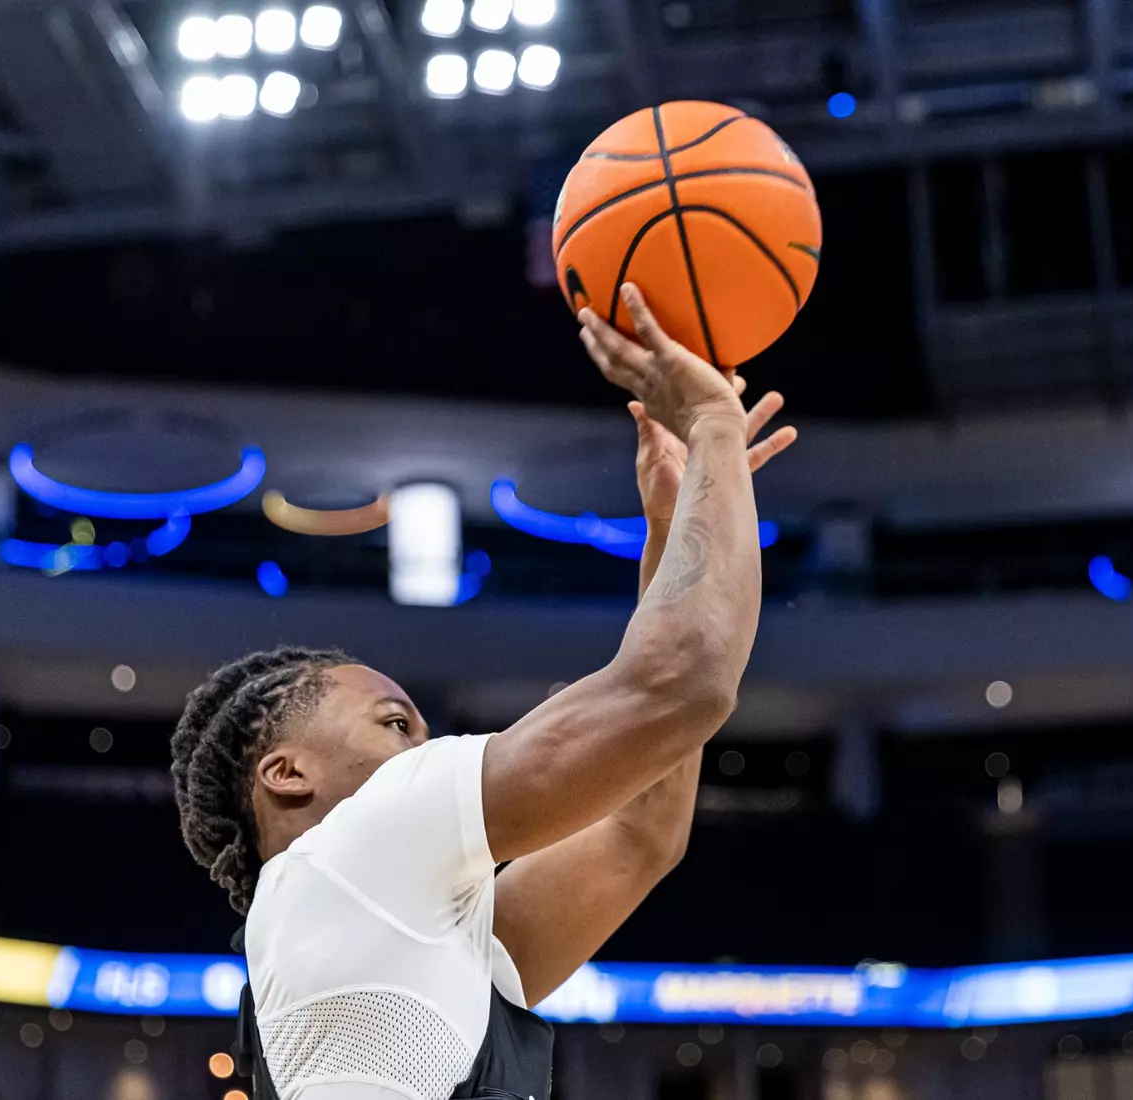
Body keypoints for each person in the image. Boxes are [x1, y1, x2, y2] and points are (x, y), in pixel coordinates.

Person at [169, 285, 797, 1100]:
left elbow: (644, 824)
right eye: (395, 723)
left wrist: (679, 535)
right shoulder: (351, 850)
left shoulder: (396, 924)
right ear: (287, 773)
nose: (424, 750)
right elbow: (683, 684)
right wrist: (712, 425)